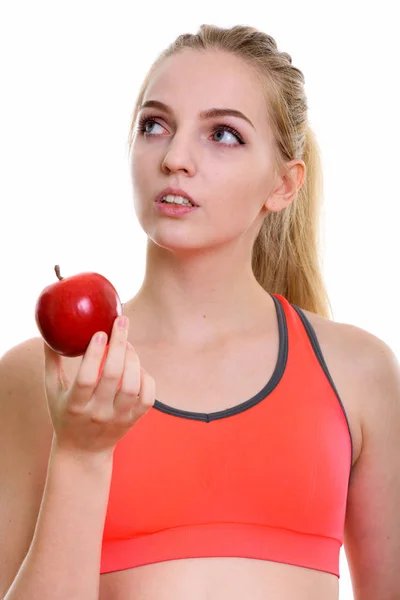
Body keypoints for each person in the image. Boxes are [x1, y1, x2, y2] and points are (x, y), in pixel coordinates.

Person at [0, 23, 399, 600]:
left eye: (224, 135)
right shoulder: (46, 378)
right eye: (154, 125)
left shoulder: (359, 372)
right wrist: (82, 454)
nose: (175, 158)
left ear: (285, 185)